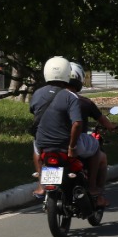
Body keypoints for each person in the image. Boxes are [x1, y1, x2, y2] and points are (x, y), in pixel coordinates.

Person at [29, 56, 83, 198]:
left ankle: (41, 185)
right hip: (64, 144)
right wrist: (71, 147)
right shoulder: (70, 96)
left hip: (42, 143)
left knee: (35, 146)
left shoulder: (37, 94)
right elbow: (77, 123)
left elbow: (34, 112)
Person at [67, 62, 118, 207]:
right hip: (74, 142)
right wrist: (112, 126)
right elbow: (103, 121)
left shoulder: (49, 99)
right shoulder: (82, 102)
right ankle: (94, 189)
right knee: (99, 152)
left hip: (51, 141)